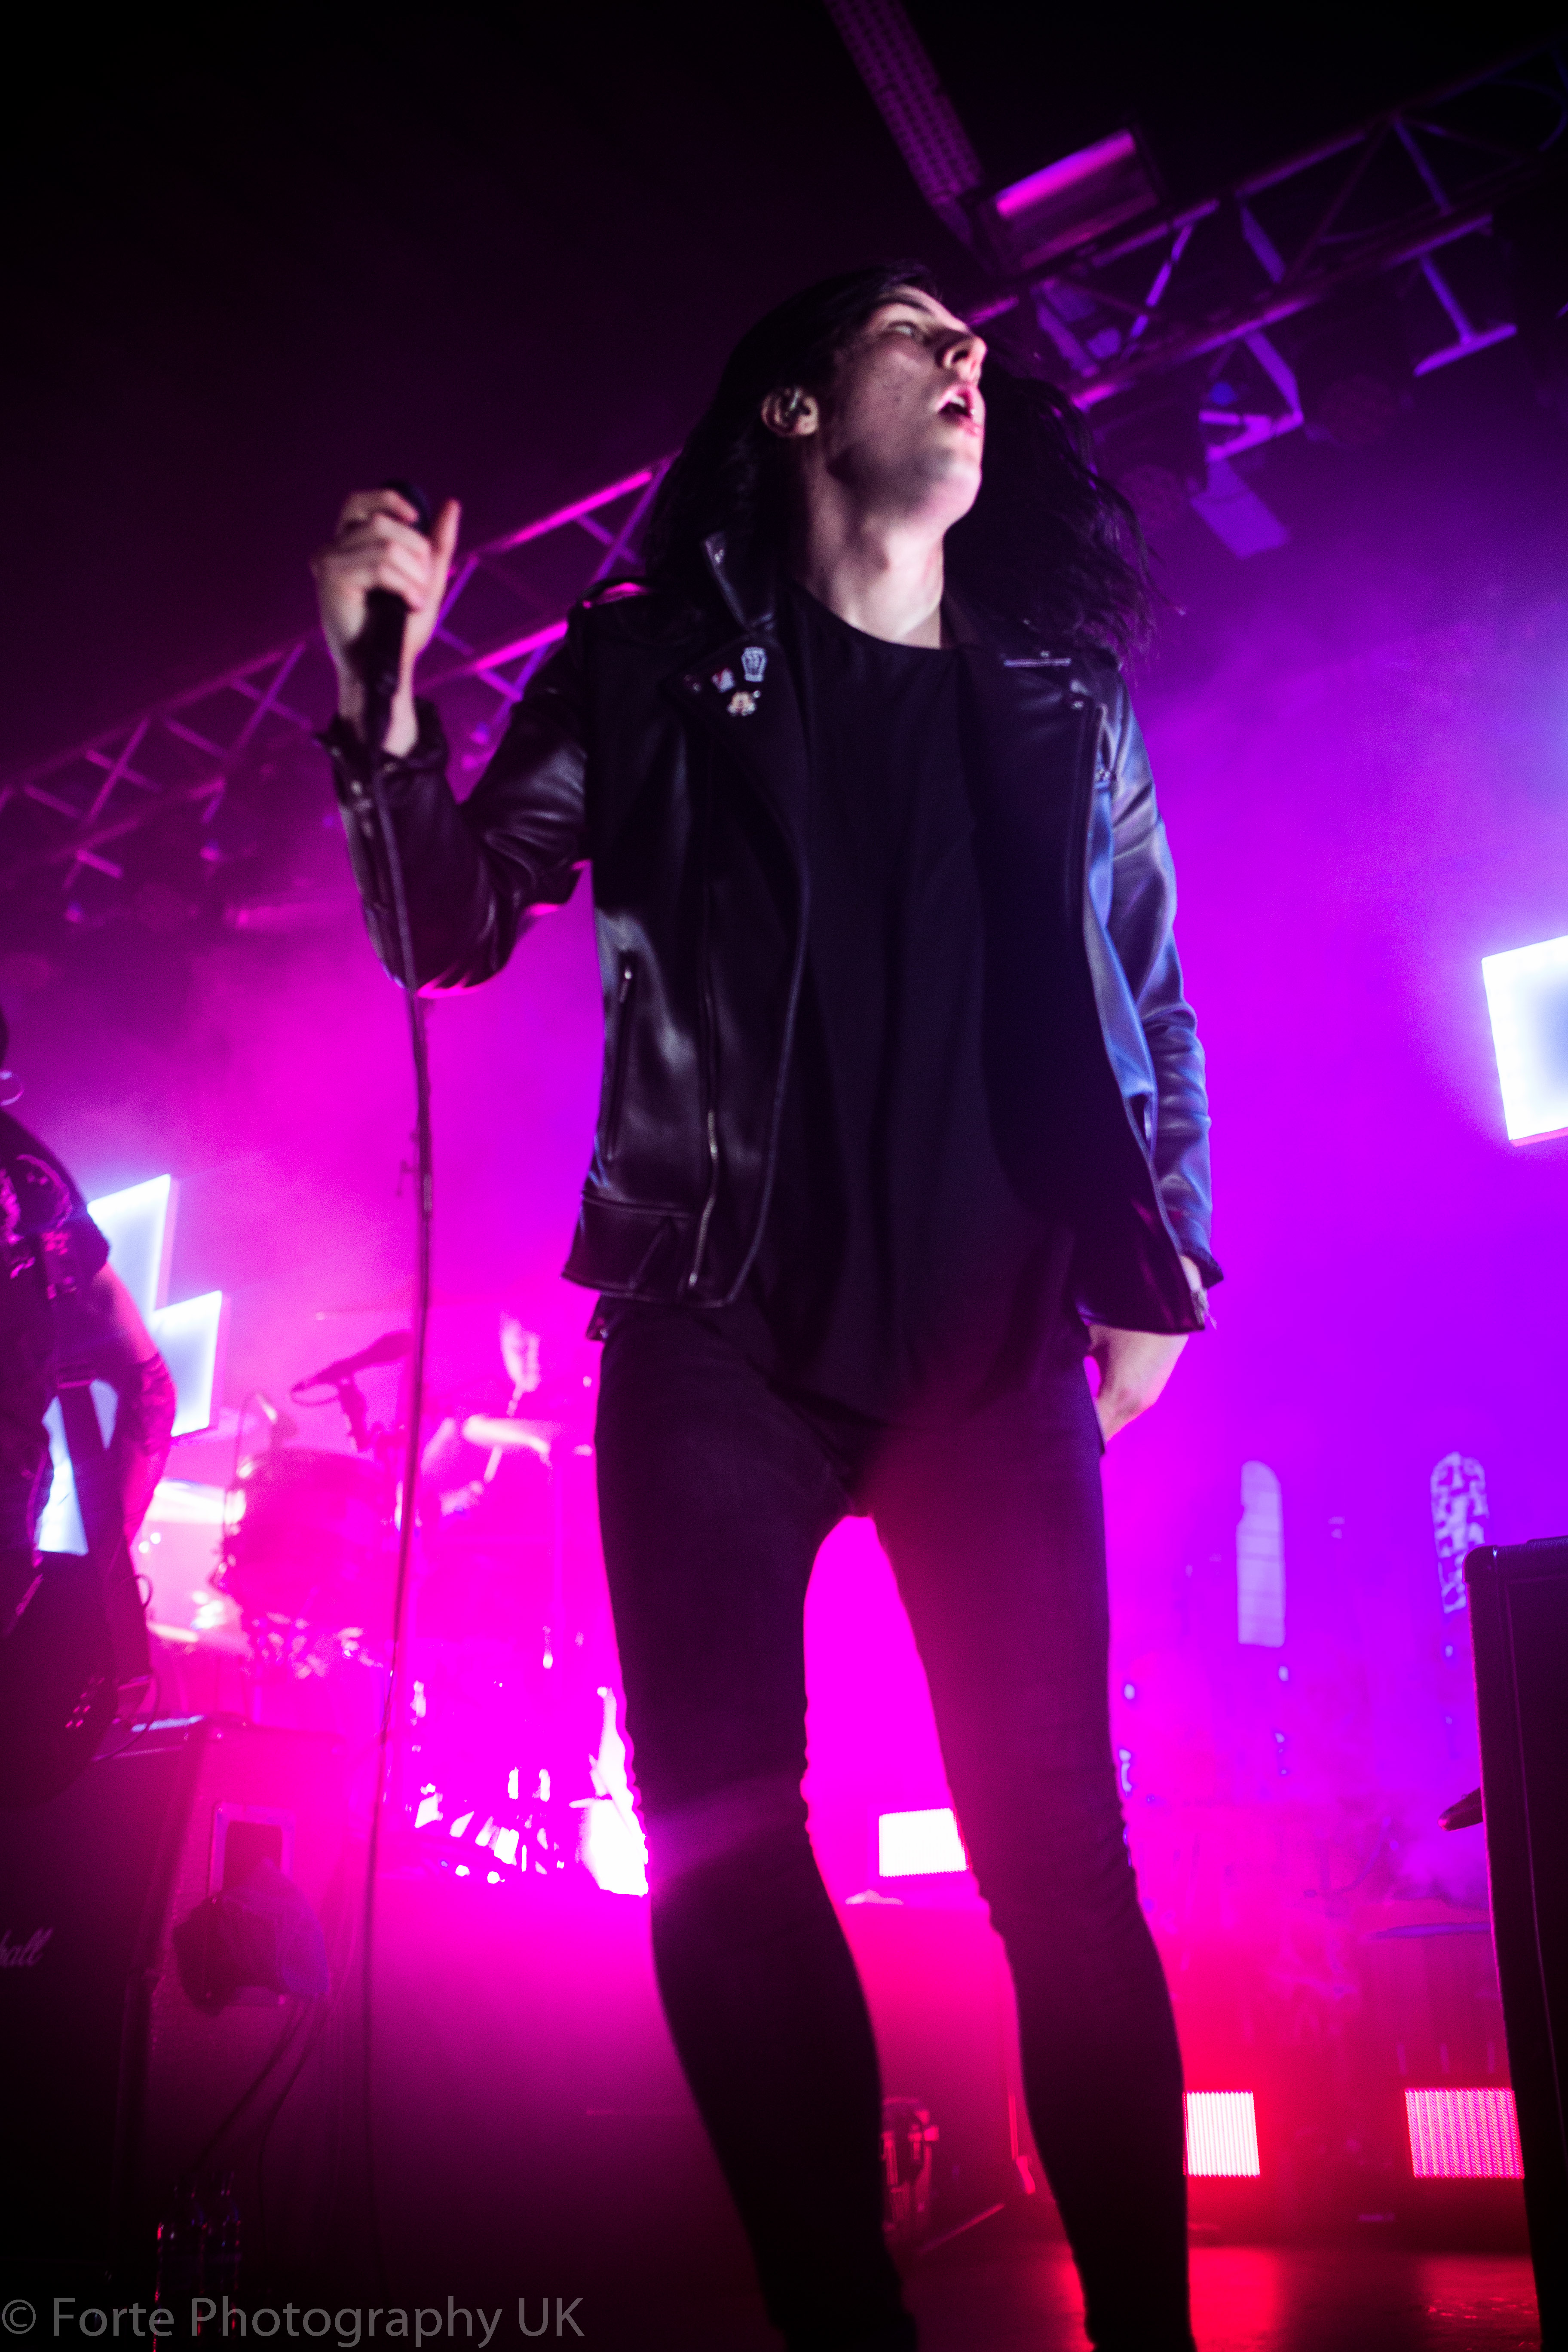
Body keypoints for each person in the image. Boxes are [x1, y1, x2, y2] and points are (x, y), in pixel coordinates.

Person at [312, 264, 1219, 2352]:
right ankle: (841, 2321)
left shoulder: (1063, 698)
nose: (971, 356)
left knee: (1061, 1868)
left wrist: (1165, 1261)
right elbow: (448, 919)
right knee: (720, 1844)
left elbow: (1154, 994)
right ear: (801, 412)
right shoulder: (645, 667)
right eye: (915, 330)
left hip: (992, 1340)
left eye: (972, 338)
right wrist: (379, 708)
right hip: (714, 1326)